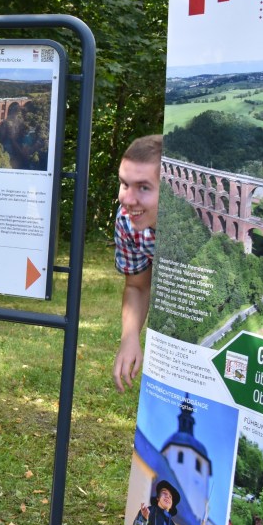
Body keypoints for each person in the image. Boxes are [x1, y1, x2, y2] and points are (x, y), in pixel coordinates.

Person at [112, 134, 163, 393]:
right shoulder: (126, 222)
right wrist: (130, 337)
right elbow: (137, 286)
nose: (128, 200)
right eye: (124, 184)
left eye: (143, 187)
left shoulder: (199, 223)